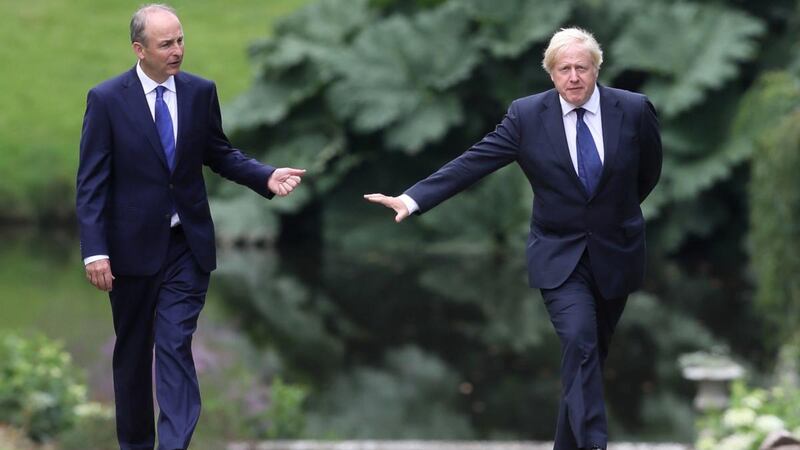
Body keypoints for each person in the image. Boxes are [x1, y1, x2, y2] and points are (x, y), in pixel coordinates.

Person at [365, 27, 662, 450]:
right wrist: (412, 199)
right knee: (580, 341)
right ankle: (594, 444)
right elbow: (475, 161)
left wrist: (615, 214)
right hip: (559, 256)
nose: (573, 77)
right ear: (551, 74)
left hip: (616, 252)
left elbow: (648, 172)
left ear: (597, 69)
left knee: (588, 357)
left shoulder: (632, 110)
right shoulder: (527, 117)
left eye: (582, 68)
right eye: (564, 69)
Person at [75, 4, 305, 449]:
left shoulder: (200, 92)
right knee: (133, 356)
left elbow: (219, 152)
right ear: (139, 49)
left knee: (175, 343)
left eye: (180, 40)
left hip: (187, 246)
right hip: (130, 252)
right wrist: (95, 250)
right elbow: (91, 183)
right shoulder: (106, 100)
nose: (177, 50)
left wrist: (265, 176)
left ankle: (174, 445)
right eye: (166, 44)